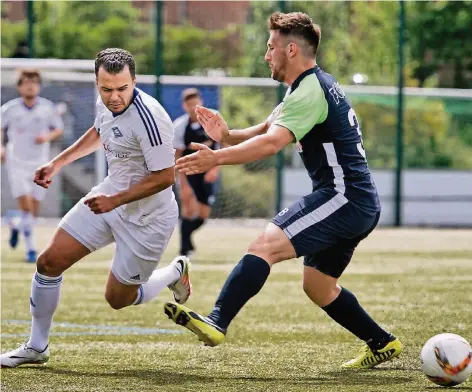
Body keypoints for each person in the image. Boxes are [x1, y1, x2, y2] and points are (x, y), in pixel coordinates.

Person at [164, 12, 403, 369]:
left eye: (270, 47)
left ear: (291, 49)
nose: (266, 55)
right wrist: (227, 136)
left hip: (344, 197)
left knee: (265, 244)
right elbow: (265, 128)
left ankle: (217, 320)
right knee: (318, 286)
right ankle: (382, 342)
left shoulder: (310, 90)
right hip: (354, 200)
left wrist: (216, 158)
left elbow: (270, 144)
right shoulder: (308, 85)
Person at [1, 48, 191, 368]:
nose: (114, 97)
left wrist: (114, 201)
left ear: (134, 81)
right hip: (107, 198)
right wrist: (56, 163)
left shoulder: (151, 118)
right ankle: (36, 346)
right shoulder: (105, 105)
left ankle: (175, 271)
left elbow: (163, 178)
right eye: (106, 89)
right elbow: (98, 133)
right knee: (49, 262)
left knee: (118, 300)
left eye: (122, 88)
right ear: (97, 82)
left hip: (149, 218)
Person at [1, 69, 64, 263]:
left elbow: (58, 129)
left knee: (35, 207)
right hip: (16, 162)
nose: (30, 86)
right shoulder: (9, 109)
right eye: (26, 82)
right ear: (20, 86)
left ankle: (16, 225)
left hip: (40, 163)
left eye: (34, 82)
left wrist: (46, 137)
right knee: (26, 204)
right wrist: (1, 148)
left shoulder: (47, 108)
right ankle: (31, 249)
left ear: (38, 86)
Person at [173, 88, 220, 257]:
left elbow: (224, 144)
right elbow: (178, 155)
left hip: (206, 174)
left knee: (203, 214)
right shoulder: (179, 126)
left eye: (196, 103)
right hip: (189, 172)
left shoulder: (212, 119)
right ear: (184, 106)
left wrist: (215, 168)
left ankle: (187, 239)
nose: (193, 107)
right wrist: (182, 182)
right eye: (189, 104)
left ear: (201, 102)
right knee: (188, 209)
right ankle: (184, 250)